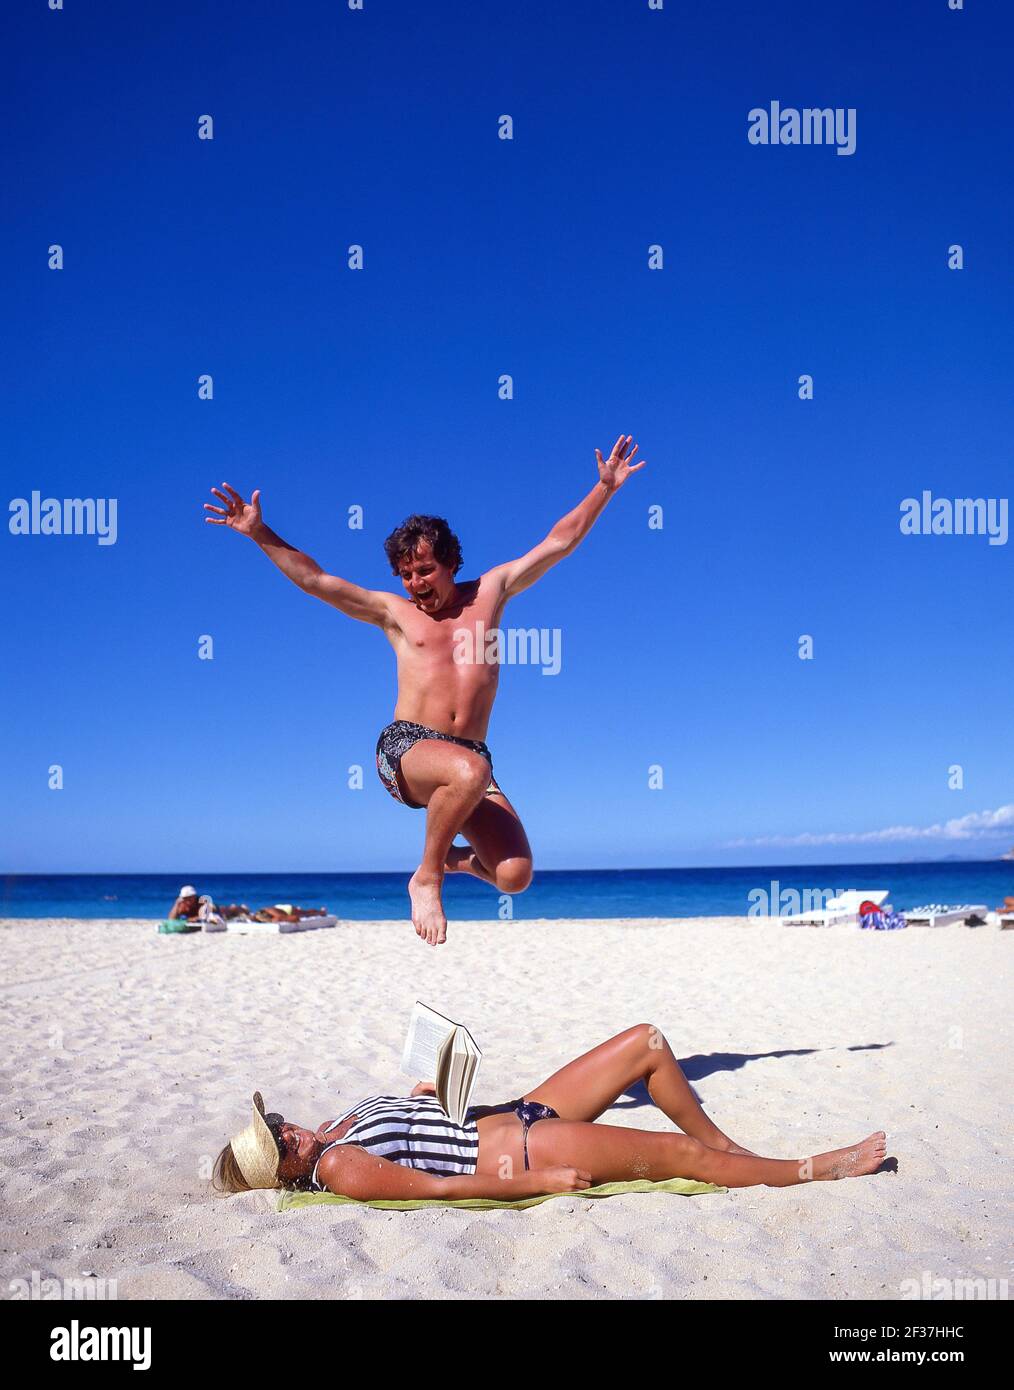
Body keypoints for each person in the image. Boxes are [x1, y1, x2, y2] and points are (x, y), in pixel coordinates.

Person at [204, 435, 646, 946]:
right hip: (406, 749)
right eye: (406, 573)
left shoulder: (491, 592)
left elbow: (558, 542)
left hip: (469, 758)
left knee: (514, 875)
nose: (415, 581)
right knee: (471, 770)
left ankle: (450, 861)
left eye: (425, 569)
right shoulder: (395, 613)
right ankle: (428, 874)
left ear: (450, 563)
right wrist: (260, 532)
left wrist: (604, 489)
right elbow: (317, 580)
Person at [213, 1024, 889, 1200]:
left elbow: (418, 1128)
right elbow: (439, 1187)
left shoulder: (336, 1126)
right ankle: (808, 1169)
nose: (287, 1129)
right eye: (278, 1142)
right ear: (287, 1166)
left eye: (275, 1125)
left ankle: (735, 1149)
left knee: (646, 1044)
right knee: (679, 1158)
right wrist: (533, 1184)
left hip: (514, 1109)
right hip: (528, 1152)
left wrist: (431, 1091)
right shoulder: (337, 1167)